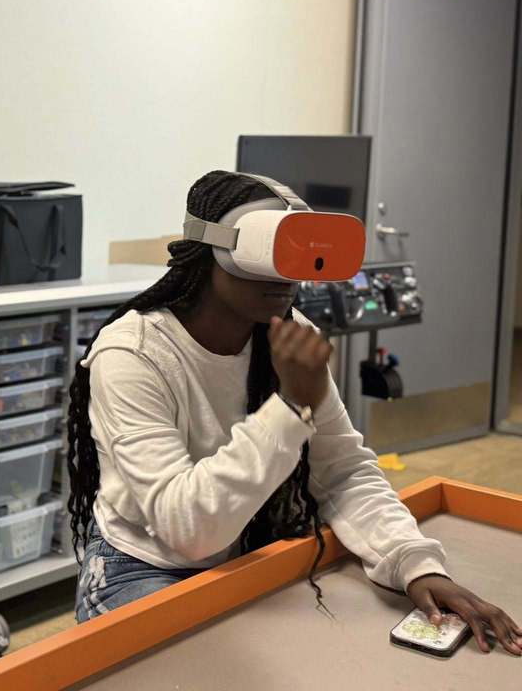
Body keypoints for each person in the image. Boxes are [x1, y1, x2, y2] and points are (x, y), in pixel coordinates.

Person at [67, 170, 522, 656]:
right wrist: (289, 407)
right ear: (211, 251)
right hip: (142, 566)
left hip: (244, 552)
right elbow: (187, 531)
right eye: (272, 249)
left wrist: (415, 565)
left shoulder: (283, 334)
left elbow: (343, 473)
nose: (289, 274)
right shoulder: (132, 355)